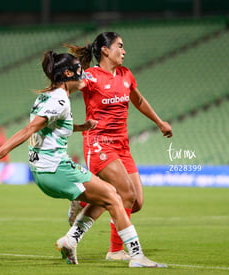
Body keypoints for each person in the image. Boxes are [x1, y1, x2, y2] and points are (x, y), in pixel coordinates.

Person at [0, 51, 167, 268]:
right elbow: (31, 128)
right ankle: (136, 256)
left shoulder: (46, 96)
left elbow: (51, 126)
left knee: (104, 197)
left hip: (44, 171)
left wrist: (80, 128)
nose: (83, 75)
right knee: (114, 197)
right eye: (78, 71)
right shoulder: (59, 99)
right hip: (56, 170)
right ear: (67, 73)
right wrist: (1, 152)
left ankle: (70, 241)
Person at [65, 32, 173, 261]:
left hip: (122, 146)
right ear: (105, 50)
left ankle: (84, 201)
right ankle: (117, 251)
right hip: (99, 144)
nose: (124, 51)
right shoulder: (90, 77)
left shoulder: (126, 75)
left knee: (135, 202)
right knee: (125, 193)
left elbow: (139, 100)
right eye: (120, 46)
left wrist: (159, 122)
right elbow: (65, 89)